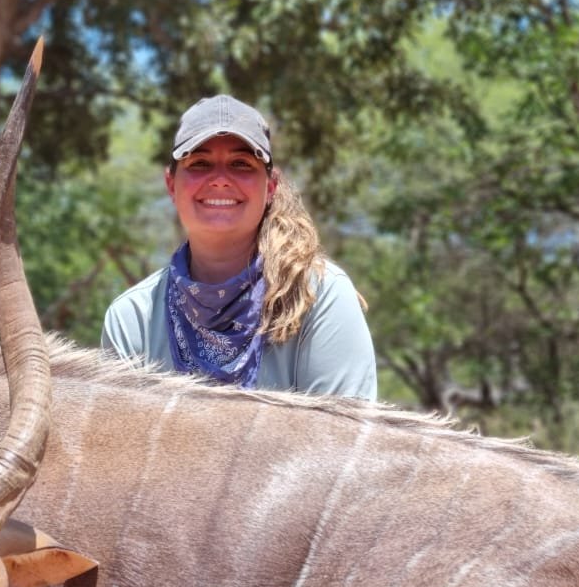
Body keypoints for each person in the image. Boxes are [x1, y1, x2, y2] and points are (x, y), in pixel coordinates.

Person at [102, 95, 377, 399]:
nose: (220, 179)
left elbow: (338, 442)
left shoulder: (319, 297)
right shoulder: (132, 319)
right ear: (171, 184)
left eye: (241, 164)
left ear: (270, 186)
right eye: (200, 162)